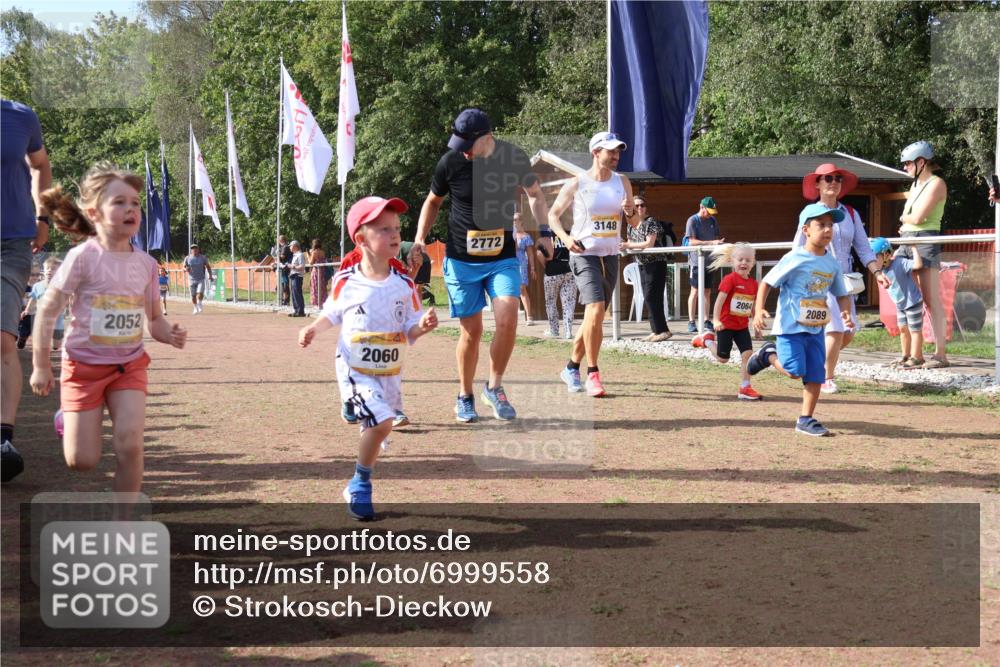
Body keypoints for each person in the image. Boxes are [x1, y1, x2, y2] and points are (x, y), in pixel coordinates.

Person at [29, 163, 187, 496]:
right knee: (81, 461)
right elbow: (47, 310)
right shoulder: (82, 257)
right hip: (82, 369)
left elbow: (154, 318)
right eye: (119, 202)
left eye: (135, 203)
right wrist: (41, 365)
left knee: (130, 445)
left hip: (127, 367)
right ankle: (68, 417)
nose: (131, 209)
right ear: (94, 212)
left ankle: (123, 524)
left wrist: (167, 333)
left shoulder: (146, 264)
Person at [299, 196, 438, 520]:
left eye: (397, 229)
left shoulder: (405, 284)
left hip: (389, 371)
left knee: (377, 426)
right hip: (354, 367)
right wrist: (312, 329)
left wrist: (423, 326)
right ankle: (360, 484)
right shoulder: (347, 282)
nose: (395, 235)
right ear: (361, 240)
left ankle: (359, 470)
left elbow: (410, 330)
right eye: (384, 229)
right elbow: (331, 314)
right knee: (383, 420)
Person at [407, 108, 550, 422]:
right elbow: (433, 201)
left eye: (468, 144)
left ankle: (494, 387)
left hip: (501, 258)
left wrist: (545, 233)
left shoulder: (513, 158)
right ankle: (465, 394)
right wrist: (420, 237)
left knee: (509, 316)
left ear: (487, 138)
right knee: (471, 331)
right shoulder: (452, 162)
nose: (464, 152)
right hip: (461, 260)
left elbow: (535, 195)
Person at [748, 203, 852, 437]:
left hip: (816, 329)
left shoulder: (832, 263)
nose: (827, 230)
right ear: (806, 230)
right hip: (790, 328)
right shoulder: (794, 257)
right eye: (821, 225)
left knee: (817, 374)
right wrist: (759, 309)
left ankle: (806, 419)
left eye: (830, 225)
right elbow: (767, 282)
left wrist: (845, 312)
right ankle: (768, 355)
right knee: (795, 371)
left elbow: (841, 294)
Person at [549, 131, 637, 397]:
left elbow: (633, 224)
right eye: (611, 151)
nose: (616, 156)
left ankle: (571, 367)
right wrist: (565, 237)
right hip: (584, 254)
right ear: (595, 152)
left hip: (610, 256)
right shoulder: (577, 183)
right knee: (596, 310)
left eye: (618, 151)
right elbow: (553, 215)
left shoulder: (623, 182)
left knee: (593, 319)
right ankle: (593, 374)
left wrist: (630, 210)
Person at [794, 163, 889, 394]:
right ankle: (825, 377)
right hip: (819, 277)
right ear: (817, 183)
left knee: (849, 331)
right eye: (828, 178)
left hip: (845, 280)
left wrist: (878, 273)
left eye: (837, 178)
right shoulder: (809, 213)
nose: (834, 182)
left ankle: (816, 365)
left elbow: (864, 248)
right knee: (835, 330)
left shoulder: (851, 213)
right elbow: (797, 247)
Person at [1, 98, 52, 484]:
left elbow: (41, 165)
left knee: (3, 340)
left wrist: (42, 215)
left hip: (11, 242)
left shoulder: (20, 116)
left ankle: (3, 442)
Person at [898, 140, 949, 368]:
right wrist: (906, 221)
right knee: (906, 297)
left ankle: (940, 355)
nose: (905, 168)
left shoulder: (937, 183)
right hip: (907, 240)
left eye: (908, 163)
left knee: (931, 300)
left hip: (926, 240)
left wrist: (903, 219)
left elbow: (917, 218)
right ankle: (911, 353)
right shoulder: (916, 185)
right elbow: (913, 216)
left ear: (921, 162)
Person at [692, 243, 761, 400]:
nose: (744, 263)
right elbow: (719, 301)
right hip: (725, 325)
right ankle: (707, 341)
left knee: (748, 355)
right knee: (723, 358)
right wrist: (715, 320)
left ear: (753, 262)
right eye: (740, 259)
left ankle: (745, 387)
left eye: (748, 260)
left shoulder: (753, 284)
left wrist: (756, 325)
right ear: (732, 261)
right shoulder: (730, 280)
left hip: (741, 326)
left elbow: (751, 305)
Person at [622, 195, 673, 341]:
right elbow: (630, 243)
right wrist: (624, 245)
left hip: (656, 263)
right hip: (641, 263)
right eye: (636, 206)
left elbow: (648, 244)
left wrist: (627, 245)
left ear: (646, 207)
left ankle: (662, 330)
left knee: (652, 296)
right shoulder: (630, 225)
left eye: (642, 205)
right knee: (648, 296)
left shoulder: (651, 222)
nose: (639, 208)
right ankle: (656, 330)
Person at [870, 237, 925, 368]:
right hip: (901, 305)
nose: (873, 261)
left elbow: (917, 265)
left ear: (886, 254)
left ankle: (917, 357)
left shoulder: (899, 262)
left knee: (915, 330)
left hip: (913, 302)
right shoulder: (881, 271)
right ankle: (905, 355)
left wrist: (914, 247)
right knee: (902, 329)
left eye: (875, 257)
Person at [684, 196, 724, 333]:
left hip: (710, 261)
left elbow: (716, 238)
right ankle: (691, 321)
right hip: (696, 261)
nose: (710, 215)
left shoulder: (713, 220)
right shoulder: (692, 220)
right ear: (702, 207)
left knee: (707, 291)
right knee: (694, 291)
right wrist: (711, 243)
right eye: (708, 211)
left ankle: (707, 320)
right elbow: (691, 241)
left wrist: (718, 245)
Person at [536, 221, 577, 339]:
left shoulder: (546, 235)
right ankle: (568, 331)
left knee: (550, 302)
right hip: (569, 270)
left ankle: (554, 330)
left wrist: (547, 266)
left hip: (552, 270)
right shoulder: (570, 232)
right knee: (569, 303)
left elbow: (539, 253)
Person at [23, 257, 66, 352]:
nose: (49, 271)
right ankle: (42, 353)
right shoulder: (37, 286)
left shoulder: (62, 286)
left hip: (57, 321)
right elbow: (33, 299)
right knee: (41, 341)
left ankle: (55, 345)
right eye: (47, 268)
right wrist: (27, 310)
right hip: (41, 318)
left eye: (53, 269)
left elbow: (68, 298)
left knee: (56, 344)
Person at [513, 212, 536, 324]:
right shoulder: (509, 235)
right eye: (513, 219)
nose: (514, 221)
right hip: (510, 263)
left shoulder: (526, 236)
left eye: (516, 219)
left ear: (521, 221)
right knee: (510, 290)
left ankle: (529, 316)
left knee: (522, 289)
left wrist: (532, 268)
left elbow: (531, 254)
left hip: (521, 263)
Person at [183, 243, 211, 314]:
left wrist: (210, 275)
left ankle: (200, 303)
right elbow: (183, 267)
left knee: (200, 293)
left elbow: (208, 266)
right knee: (193, 296)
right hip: (191, 279)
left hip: (200, 278)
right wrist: (186, 269)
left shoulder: (203, 257)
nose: (194, 249)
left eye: (195, 248)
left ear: (198, 249)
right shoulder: (187, 258)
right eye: (192, 248)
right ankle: (195, 307)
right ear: (191, 250)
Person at [271, 235, 292, 306]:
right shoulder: (282, 247)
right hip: (282, 268)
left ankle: (286, 300)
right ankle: (282, 299)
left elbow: (282, 257)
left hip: (284, 268)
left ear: (280, 240)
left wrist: (274, 256)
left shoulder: (285, 247)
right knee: (281, 285)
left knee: (285, 285)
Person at [287, 240, 306, 317]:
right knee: (294, 294)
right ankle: (296, 310)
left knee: (297, 293)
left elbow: (302, 266)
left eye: (290, 246)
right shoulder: (295, 255)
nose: (290, 248)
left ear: (295, 246)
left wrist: (292, 266)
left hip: (298, 276)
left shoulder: (300, 255)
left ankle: (300, 311)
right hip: (293, 276)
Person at [308, 238, 327, 308]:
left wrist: (308, 256)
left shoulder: (314, 252)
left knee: (315, 286)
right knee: (322, 287)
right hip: (322, 271)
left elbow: (311, 262)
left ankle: (316, 303)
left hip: (316, 271)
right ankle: (322, 302)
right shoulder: (323, 252)